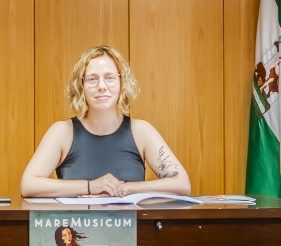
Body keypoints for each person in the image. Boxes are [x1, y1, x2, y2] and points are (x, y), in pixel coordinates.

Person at [21, 45, 191, 198]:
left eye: (110, 77)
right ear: (81, 86)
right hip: (77, 223)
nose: (102, 86)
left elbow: (182, 184)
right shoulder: (63, 132)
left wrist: (125, 189)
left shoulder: (141, 131)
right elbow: (29, 185)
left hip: (128, 224)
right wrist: (91, 187)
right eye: (92, 79)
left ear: (122, 83)